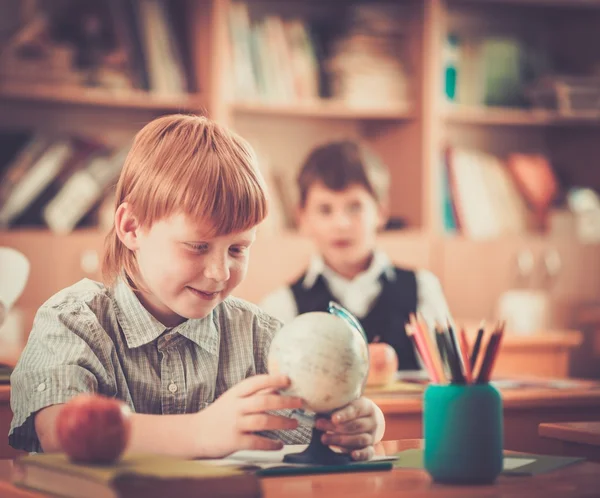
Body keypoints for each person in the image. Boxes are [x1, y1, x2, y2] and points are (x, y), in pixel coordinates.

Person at [9, 115, 385, 461]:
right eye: (198, 246)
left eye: (238, 249)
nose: (221, 272)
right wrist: (201, 432)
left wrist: (356, 425)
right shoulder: (72, 321)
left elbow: (316, 428)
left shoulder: (261, 337)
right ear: (131, 228)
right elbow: (59, 431)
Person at [260, 140, 452, 371]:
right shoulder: (281, 306)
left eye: (354, 207)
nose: (341, 224)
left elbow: (447, 378)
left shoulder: (422, 289)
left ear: (381, 212)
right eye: (325, 210)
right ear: (302, 218)